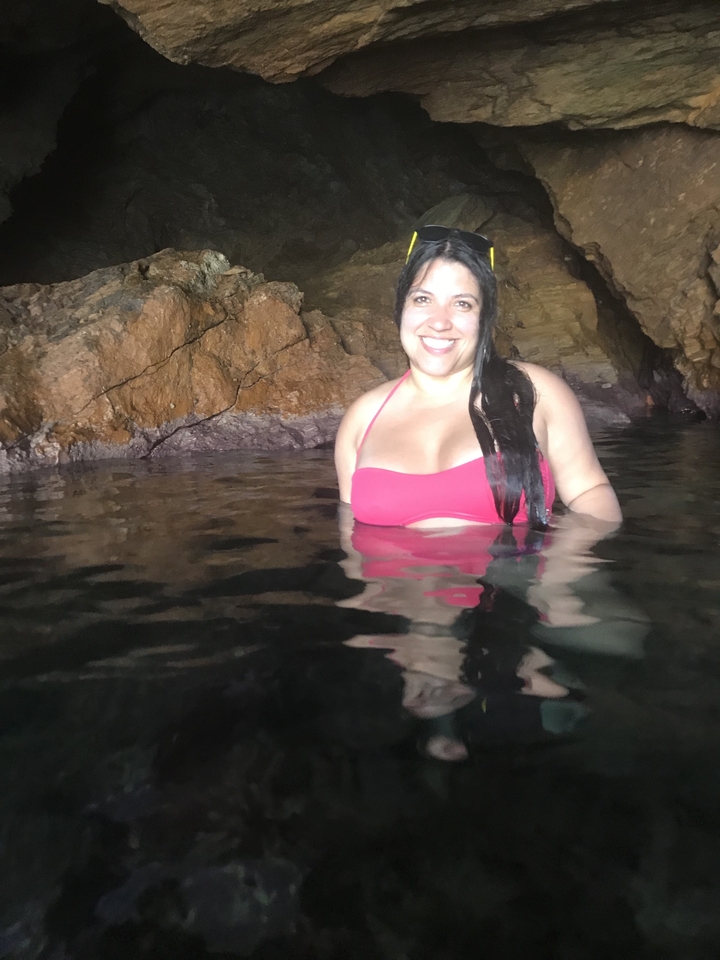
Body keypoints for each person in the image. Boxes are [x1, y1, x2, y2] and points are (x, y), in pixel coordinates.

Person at [335, 225, 622, 529]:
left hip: (511, 577)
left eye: (462, 304)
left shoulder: (535, 392)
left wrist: (559, 566)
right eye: (422, 299)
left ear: (485, 318)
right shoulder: (361, 418)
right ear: (400, 308)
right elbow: (350, 529)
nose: (440, 321)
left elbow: (590, 494)